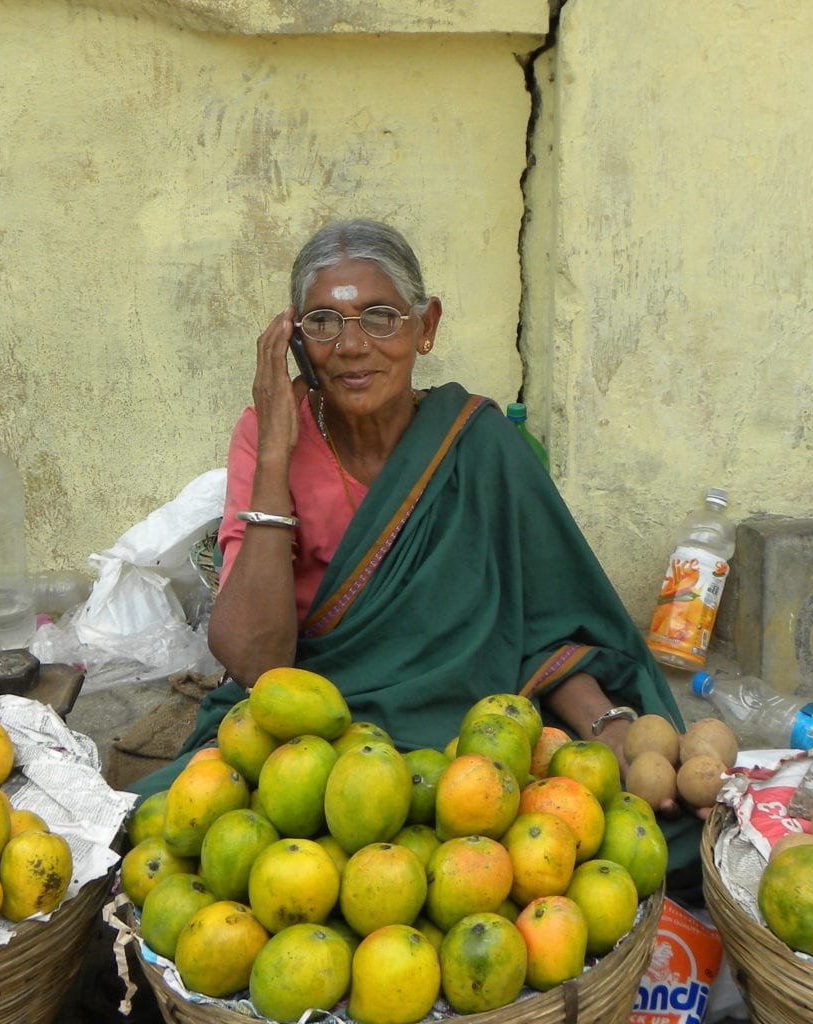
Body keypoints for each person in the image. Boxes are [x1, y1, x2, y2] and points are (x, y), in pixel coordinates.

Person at [126, 217, 700, 891]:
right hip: (317, 745)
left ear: (424, 328)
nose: (351, 345)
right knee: (168, 838)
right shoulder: (268, 436)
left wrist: (605, 723)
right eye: (322, 322)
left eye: (380, 317)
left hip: (468, 737)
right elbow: (256, 662)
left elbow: (546, 625)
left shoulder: (480, 445)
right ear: (295, 342)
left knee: (652, 833)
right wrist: (276, 453)